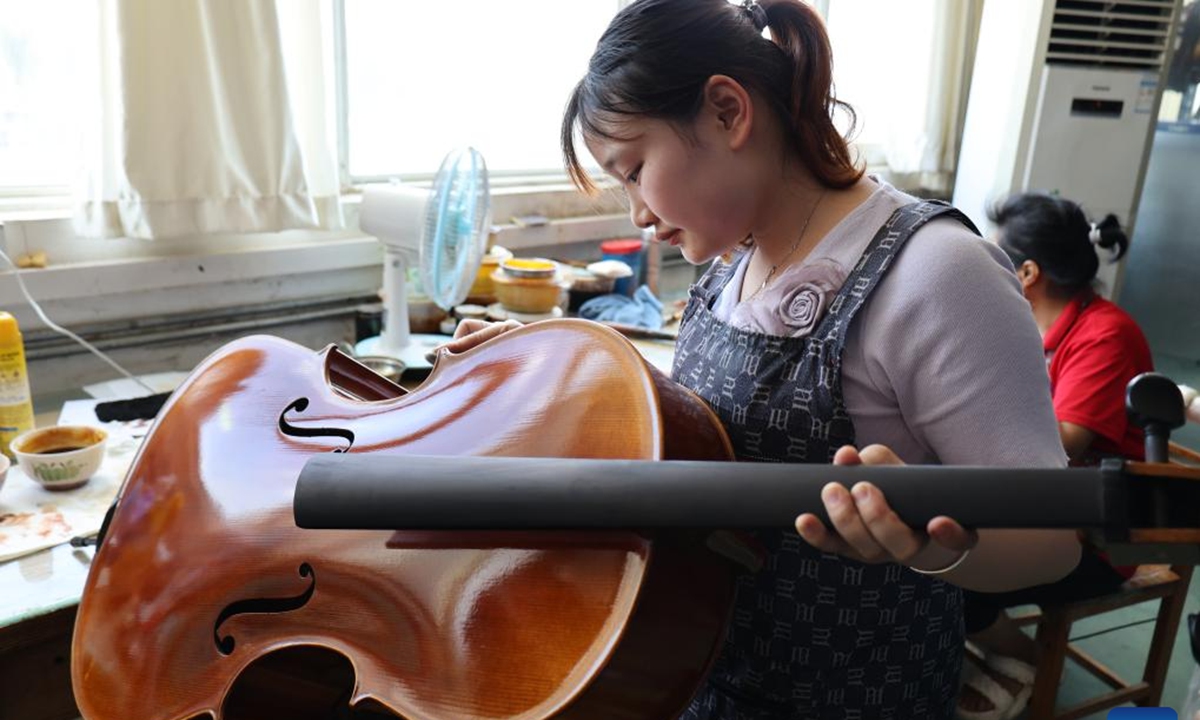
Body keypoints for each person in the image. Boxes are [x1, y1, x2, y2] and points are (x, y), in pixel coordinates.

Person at [444, 1, 1081, 718]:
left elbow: (1051, 541)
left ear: (726, 111)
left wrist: (927, 551)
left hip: (855, 698)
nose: (636, 214)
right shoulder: (731, 259)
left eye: (635, 169)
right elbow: (714, 432)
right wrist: (545, 371)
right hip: (693, 675)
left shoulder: (939, 272)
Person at [955, 192, 1154, 720]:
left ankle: (1023, 655)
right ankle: (963, 642)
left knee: (950, 559)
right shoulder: (1021, 321)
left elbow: (1061, 444)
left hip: (1098, 537)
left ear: (1026, 272)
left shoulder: (1105, 334)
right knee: (926, 535)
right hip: (1039, 507)